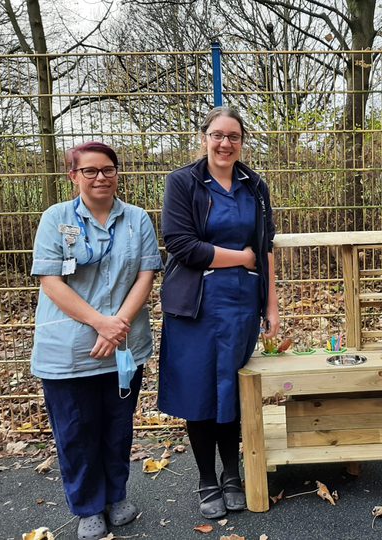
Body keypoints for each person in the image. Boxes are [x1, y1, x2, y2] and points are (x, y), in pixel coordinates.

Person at [31, 142, 162, 539]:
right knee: (75, 431)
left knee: (117, 427)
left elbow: (146, 275)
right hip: (69, 351)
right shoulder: (55, 218)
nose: (100, 177)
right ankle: (88, 506)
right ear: (73, 176)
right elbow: (50, 280)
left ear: (117, 173)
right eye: (89, 171)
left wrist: (118, 324)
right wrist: (100, 324)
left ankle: (116, 495)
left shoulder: (137, 220)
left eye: (107, 169)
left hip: (123, 347)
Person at [157, 107, 279, 519]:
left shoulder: (255, 186)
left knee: (232, 391)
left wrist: (271, 305)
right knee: (199, 392)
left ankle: (232, 474)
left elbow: (265, 249)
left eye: (233, 136)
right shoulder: (183, 182)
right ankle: (207, 479)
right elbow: (181, 245)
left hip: (241, 306)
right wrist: (239, 257)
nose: (225, 143)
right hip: (195, 306)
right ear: (204, 137)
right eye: (217, 135)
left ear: (242, 140)